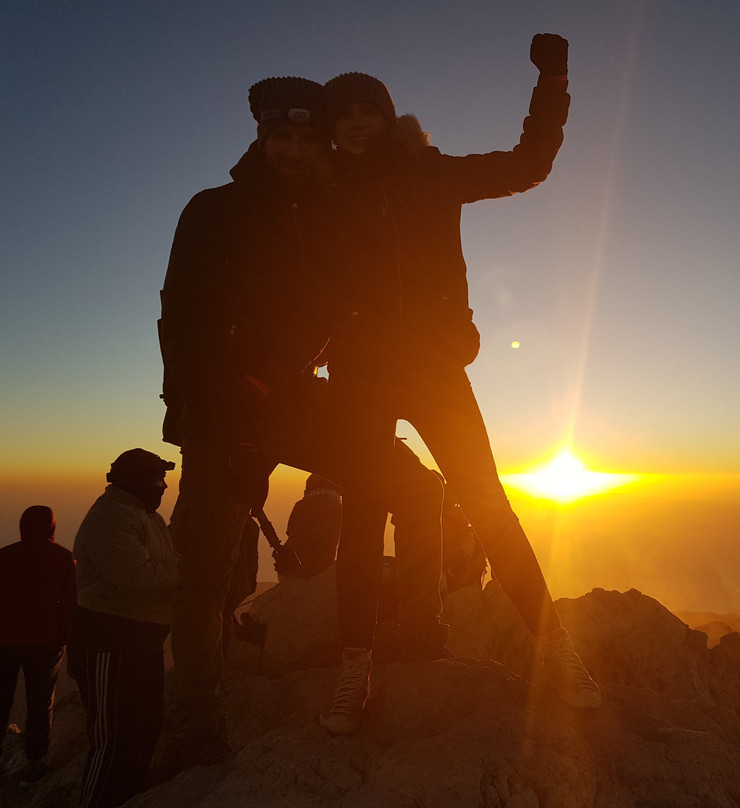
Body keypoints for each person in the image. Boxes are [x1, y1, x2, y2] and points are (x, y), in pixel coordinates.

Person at [319, 32, 602, 723]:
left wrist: (553, 81)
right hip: (360, 377)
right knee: (359, 523)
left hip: (432, 368)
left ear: (386, 119)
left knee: (487, 504)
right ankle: (355, 666)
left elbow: (529, 163)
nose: (357, 122)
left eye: (369, 110)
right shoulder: (318, 196)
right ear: (332, 126)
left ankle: (553, 649)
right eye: (345, 113)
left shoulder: (431, 175)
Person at [157, 76, 401, 762]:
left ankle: (403, 635)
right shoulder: (213, 211)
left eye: (305, 138)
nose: (293, 149)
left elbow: (334, 312)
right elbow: (179, 321)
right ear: (261, 138)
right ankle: (197, 722)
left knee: (409, 484)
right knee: (204, 569)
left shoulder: (328, 215)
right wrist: (209, 416)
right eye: (280, 136)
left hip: (289, 398)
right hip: (221, 411)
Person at [68, 449, 178, 808]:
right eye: (157, 480)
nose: (163, 487)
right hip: (109, 641)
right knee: (114, 739)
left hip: (140, 642)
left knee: (143, 732)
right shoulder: (111, 517)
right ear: (136, 482)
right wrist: (188, 574)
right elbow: (136, 578)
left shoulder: (146, 517)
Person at [0, 506, 76, 784]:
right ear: (51, 529)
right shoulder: (64, 559)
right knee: (39, 703)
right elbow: (70, 606)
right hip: (45, 643)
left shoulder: (3, 557)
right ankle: (34, 763)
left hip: (4, 641)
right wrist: (65, 640)